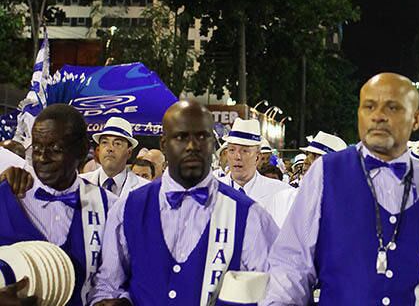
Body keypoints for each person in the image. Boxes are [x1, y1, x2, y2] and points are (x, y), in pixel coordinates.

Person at [262, 73, 419, 305]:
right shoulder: (326, 173)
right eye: (369, 106)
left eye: (392, 107)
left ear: (416, 119)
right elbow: (293, 263)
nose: (378, 116)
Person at [90, 99, 279, 305]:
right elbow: (107, 284)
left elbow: (275, 292)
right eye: (181, 137)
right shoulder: (128, 209)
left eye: (201, 137)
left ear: (213, 145)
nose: (192, 146)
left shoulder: (249, 216)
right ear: (164, 144)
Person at [0, 104, 116, 306]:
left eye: (55, 149)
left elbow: (111, 281)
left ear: (81, 149)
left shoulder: (109, 206)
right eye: (36, 149)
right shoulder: (7, 193)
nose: (43, 158)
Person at [218, 118, 291, 209]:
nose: (237, 157)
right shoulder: (212, 192)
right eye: (232, 150)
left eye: (244, 151)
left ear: (257, 157)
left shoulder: (281, 192)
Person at [80, 117, 149, 197]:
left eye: (117, 143)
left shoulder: (145, 189)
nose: (109, 148)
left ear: (129, 152)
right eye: (104, 142)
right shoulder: (80, 183)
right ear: (99, 150)